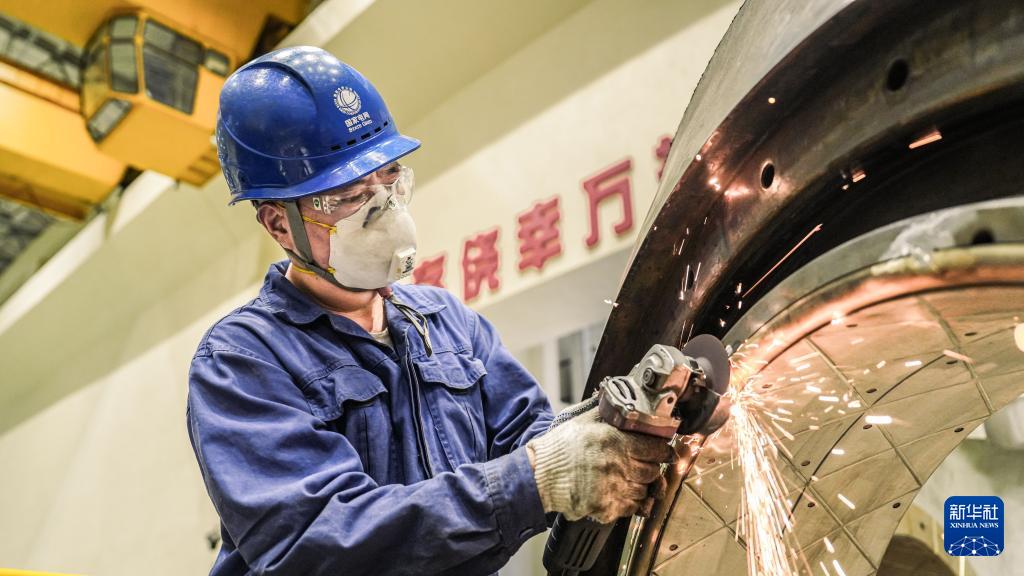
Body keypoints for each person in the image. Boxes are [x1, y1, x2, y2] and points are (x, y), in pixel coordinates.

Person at [186, 46, 670, 576]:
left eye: (390, 179)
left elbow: (529, 434)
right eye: (350, 196)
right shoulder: (242, 359)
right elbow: (316, 539)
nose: (385, 210)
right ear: (280, 224)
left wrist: (603, 430)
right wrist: (535, 480)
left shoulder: (445, 321)